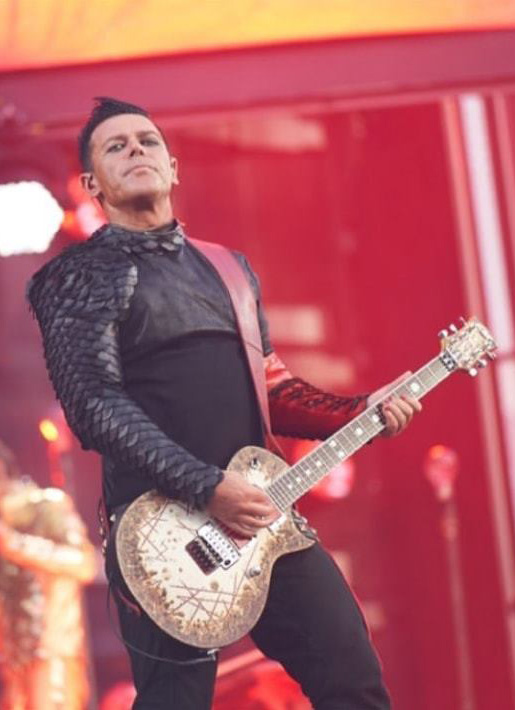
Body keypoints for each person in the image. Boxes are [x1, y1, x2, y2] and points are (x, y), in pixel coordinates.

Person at [27, 97, 421, 710]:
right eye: (116, 146)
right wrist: (206, 486)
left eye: (148, 141)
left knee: (353, 679)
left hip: (264, 516)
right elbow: (94, 406)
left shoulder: (228, 267)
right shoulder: (78, 273)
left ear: (174, 167)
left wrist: (362, 409)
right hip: (161, 532)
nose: (136, 151)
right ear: (92, 184)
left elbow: (271, 386)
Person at [0, 439, 96, 710]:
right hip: (11, 662)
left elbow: (84, 564)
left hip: (52, 654)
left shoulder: (46, 505)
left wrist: (14, 545)